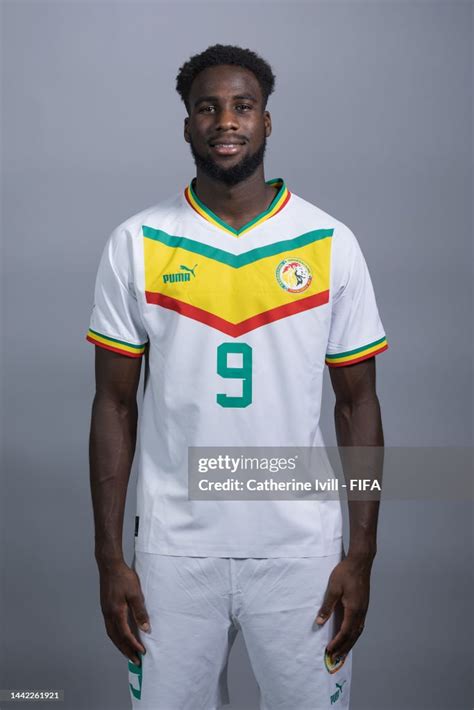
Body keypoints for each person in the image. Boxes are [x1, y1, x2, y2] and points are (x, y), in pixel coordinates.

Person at [86, 44, 388, 710]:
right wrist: (111, 558)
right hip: (173, 555)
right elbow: (113, 408)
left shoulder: (329, 243)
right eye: (208, 108)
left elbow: (358, 406)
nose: (226, 121)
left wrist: (360, 552)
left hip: (302, 554)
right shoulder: (137, 243)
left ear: (268, 122)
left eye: (243, 106)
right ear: (188, 126)